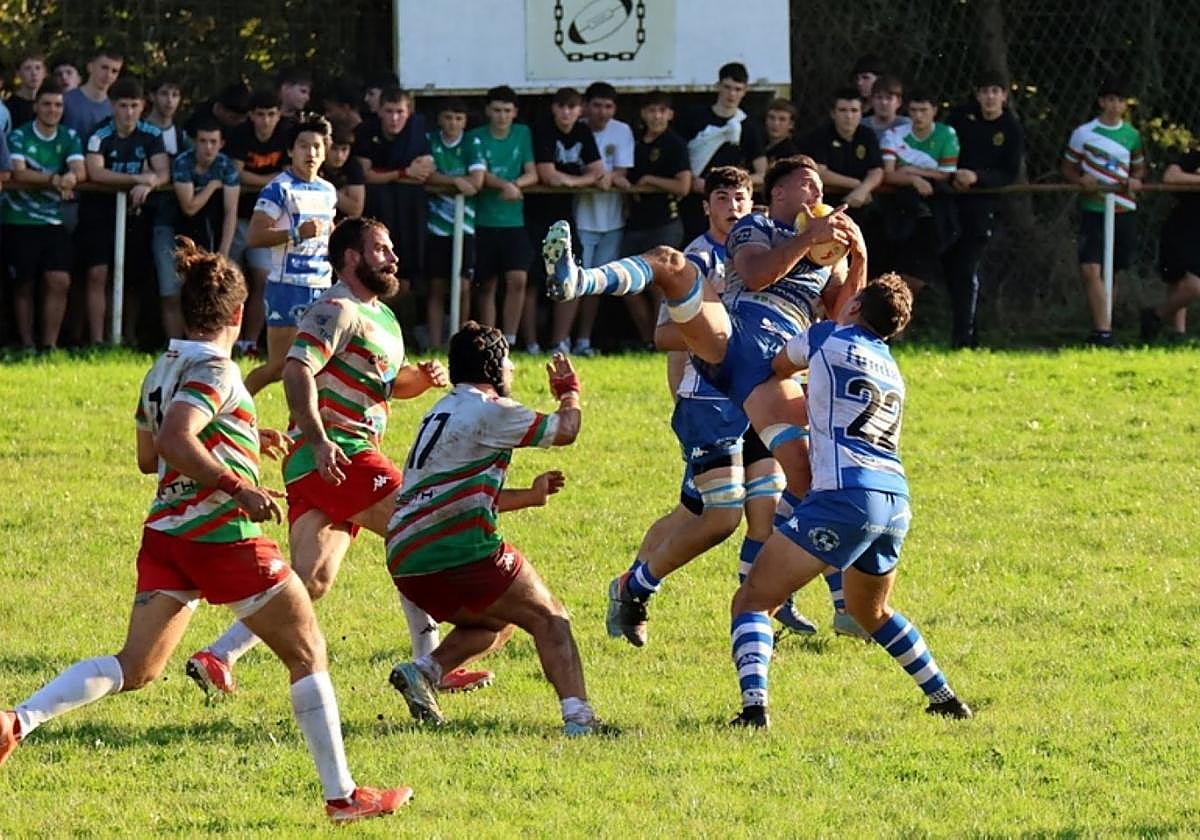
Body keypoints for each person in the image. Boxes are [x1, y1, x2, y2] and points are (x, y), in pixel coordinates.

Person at [0, 240, 412, 824]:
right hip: (221, 535)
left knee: (136, 668)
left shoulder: (160, 368)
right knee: (309, 651)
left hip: (168, 535)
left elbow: (150, 457)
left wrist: (246, 438)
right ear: (239, 316)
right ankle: (343, 796)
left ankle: (19, 720)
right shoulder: (216, 369)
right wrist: (236, 484)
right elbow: (174, 440)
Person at [188, 217, 495, 697]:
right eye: (380, 249)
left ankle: (218, 655)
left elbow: (387, 387)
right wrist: (317, 438)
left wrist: (421, 378)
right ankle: (433, 663)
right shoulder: (336, 308)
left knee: (312, 580)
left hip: (327, 461)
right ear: (351, 258)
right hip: (338, 454)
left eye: (391, 248)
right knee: (415, 529)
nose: (392, 257)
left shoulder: (385, 318)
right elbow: (296, 371)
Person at [543, 155, 864, 528]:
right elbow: (757, 276)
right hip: (730, 355)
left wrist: (859, 256)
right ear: (778, 192)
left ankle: (755, 586)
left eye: (820, 186)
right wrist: (808, 237)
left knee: (793, 494)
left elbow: (844, 319)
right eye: (808, 184)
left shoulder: (829, 256)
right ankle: (578, 281)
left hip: (777, 375)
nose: (819, 192)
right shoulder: (754, 226)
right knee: (669, 261)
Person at [726, 273, 972, 727]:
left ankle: (754, 709)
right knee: (870, 611)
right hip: (894, 499)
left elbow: (778, 366)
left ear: (855, 308)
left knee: (753, 600)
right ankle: (944, 697)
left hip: (844, 496)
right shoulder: (893, 369)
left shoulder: (825, 336)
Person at [605, 166, 816, 647]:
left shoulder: (770, 245)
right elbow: (662, 334)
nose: (734, 207)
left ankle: (759, 607)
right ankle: (631, 588)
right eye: (722, 198)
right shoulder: (697, 258)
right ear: (706, 206)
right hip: (711, 400)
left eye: (741, 198)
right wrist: (720, 330)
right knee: (708, 515)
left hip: (760, 396)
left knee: (765, 512)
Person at [386, 324, 603, 734]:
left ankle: (425, 671)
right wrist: (568, 390)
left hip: (405, 557)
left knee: (495, 622)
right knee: (550, 617)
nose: (513, 370)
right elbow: (566, 430)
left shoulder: (439, 411)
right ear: (495, 367)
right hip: (456, 551)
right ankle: (580, 721)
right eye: (510, 363)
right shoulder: (492, 410)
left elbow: (457, 495)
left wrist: (532, 495)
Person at [242, 114, 338, 395]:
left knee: (320, 367)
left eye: (318, 147)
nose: (311, 153)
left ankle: (304, 430)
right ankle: (231, 410)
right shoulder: (278, 189)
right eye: (304, 146)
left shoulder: (328, 191)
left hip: (322, 288)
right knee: (279, 367)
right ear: (290, 151)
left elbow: (327, 234)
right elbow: (255, 236)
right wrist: (297, 233)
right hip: (287, 288)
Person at [78, 77, 169, 348]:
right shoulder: (99, 134)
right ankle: (97, 339)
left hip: (135, 213)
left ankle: (128, 336)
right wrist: (136, 180)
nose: (128, 112)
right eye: (123, 106)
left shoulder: (151, 134)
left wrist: (151, 181)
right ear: (112, 106)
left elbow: (163, 171)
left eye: (134, 106)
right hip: (98, 212)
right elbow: (95, 172)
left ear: (142, 106)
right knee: (98, 274)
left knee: (132, 278)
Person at [2, 81, 85, 352]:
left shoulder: (69, 136)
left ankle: (49, 344)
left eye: (58, 105)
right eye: (47, 104)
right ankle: (26, 344)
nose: (53, 109)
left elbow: (80, 170)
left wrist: (71, 176)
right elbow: (18, 172)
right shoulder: (19, 135)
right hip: (19, 219)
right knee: (23, 284)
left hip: (53, 221)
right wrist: (55, 179)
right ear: (36, 107)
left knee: (60, 280)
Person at [1061, 78, 1145, 346]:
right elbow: (1068, 167)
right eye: (1110, 99)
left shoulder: (1132, 135)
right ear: (1101, 102)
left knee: (1114, 270)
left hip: (1123, 209)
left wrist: (1135, 180)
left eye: (1120, 100)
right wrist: (1080, 181)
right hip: (1094, 208)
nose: (1115, 105)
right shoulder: (1084, 133)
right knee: (1090, 268)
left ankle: (1105, 327)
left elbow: (1139, 167)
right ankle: (1102, 330)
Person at [943, 72, 1024, 348]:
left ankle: (965, 336)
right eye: (985, 91)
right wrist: (953, 175)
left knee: (967, 269)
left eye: (995, 91)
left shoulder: (1011, 128)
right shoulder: (960, 119)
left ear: (1004, 95)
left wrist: (978, 177)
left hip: (983, 206)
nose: (990, 97)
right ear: (977, 95)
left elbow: (1009, 173)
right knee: (948, 268)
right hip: (949, 200)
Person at [564, 81, 642, 356]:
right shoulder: (577, 129)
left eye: (608, 106)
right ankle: (562, 340)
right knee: (572, 281)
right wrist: (596, 177)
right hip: (581, 218)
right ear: (586, 107)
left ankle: (584, 340)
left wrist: (611, 177)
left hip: (613, 220)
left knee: (595, 285)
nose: (602, 112)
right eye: (596, 105)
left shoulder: (622, 131)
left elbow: (622, 172)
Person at [528, 87, 602, 354]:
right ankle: (531, 343)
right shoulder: (542, 129)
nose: (566, 113)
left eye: (572, 107)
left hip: (566, 217)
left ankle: (561, 342)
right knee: (532, 281)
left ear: (580, 109)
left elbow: (598, 171)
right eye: (561, 107)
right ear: (553, 108)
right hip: (534, 216)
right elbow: (548, 175)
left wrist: (571, 181)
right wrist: (579, 180)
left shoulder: (583, 132)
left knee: (570, 275)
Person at [468, 85, 538, 346]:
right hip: (483, 221)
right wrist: (504, 185)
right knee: (486, 284)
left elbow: (533, 172)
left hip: (514, 221)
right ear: (487, 110)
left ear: (515, 112)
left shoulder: (522, 133)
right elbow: (479, 174)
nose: (501, 116)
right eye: (496, 110)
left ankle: (509, 339)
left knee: (519, 278)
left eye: (507, 111)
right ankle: (489, 340)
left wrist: (517, 185)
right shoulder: (475, 136)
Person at [226, 89, 290, 357]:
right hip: (236, 217)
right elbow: (235, 173)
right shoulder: (240, 135)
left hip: (268, 222)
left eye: (271, 115)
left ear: (279, 115)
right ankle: (223, 339)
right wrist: (271, 180)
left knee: (263, 279)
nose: (265, 121)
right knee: (228, 280)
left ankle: (249, 342)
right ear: (251, 115)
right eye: (260, 115)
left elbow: (291, 173)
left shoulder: (287, 135)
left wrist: (259, 180)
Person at [353, 87, 435, 296]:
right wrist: (404, 172)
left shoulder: (417, 130)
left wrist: (388, 174)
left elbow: (426, 168)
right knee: (374, 268)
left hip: (409, 210)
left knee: (405, 271)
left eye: (400, 112)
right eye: (389, 111)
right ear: (379, 111)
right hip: (377, 208)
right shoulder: (366, 130)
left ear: (409, 112)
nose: (394, 118)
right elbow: (366, 174)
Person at [880, 87, 960, 286]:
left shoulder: (947, 134)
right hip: (900, 207)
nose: (918, 115)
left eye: (923, 110)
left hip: (936, 206)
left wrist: (909, 171)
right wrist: (914, 180)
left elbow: (946, 174)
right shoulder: (893, 135)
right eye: (914, 110)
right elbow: (889, 174)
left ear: (934, 110)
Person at [168, 119, 241, 338]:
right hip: (177, 228)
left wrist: (224, 251)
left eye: (213, 142)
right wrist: (212, 186)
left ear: (221, 143)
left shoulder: (227, 166)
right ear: (194, 142)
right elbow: (189, 206)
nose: (208, 147)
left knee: (214, 290)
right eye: (202, 141)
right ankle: (174, 342)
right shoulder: (182, 162)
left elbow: (231, 212)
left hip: (212, 228)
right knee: (173, 289)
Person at [677, 62, 767, 239]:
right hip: (692, 202)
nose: (732, 94)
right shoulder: (693, 117)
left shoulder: (748, 126)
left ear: (745, 91)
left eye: (737, 89)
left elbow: (762, 173)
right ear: (717, 86)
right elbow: (677, 156)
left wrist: (726, 186)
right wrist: (690, 179)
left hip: (729, 208)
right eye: (727, 87)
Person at [424, 98, 486, 351]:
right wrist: (457, 182)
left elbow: (477, 182)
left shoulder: (472, 142)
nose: (453, 124)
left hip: (465, 228)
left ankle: (462, 344)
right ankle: (435, 344)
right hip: (436, 228)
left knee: (463, 287)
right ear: (440, 119)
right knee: (436, 287)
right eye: (448, 118)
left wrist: (449, 182)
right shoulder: (430, 140)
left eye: (459, 119)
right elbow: (426, 177)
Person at [146, 75, 194, 343]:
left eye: (175, 94)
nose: (169, 101)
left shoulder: (182, 135)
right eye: (165, 93)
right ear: (152, 96)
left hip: (179, 219)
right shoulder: (141, 131)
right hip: (147, 216)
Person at [1142, 139, 1200, 342]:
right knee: (1182, 281)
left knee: (1192, 285)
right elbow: (1170, 176)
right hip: (1184, 226)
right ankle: (1177, 331)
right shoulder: (1193, 158)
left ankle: (1157, 317)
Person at [622, 90, 692, 255]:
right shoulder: (635, 141)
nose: (657, 116)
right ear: (643, 113)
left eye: (662, 111)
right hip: (634, 224)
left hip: (663, 225)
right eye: (652, 111)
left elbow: (683, 186)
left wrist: (650, 180)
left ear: (670, 114)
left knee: (660, 278)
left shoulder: (675, 144)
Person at [800, 87, 884, 219]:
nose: (849, 116)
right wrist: (855, 185)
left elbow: (877, 170)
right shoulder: (819, 136)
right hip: (827, 205)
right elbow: (820, 172)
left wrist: (863, 190)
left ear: (862, 113)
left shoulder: (867, 135)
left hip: (862, 201)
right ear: (833, 113)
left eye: (854, 110)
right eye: (843, 110)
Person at [61, 46, 122, 140]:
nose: (108, 75)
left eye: (114, 71)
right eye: (104, 67)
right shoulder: (65, 100)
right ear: (90, 67)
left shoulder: (115, 109)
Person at [322, 120, 366, 221]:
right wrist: (342, 197)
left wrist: (327, 191)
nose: (339, 156)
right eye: (334, 149)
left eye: (344, 149)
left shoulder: (353, 166)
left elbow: (356, 210)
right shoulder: (315, 163)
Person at [863, 75, 911, 144]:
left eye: (889, 98)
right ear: (872, 100)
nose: (883, 102)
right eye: (879, 97)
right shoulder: (862, 126)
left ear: (899, 102)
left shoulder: (907, 126)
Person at [8, 51, 47, 130]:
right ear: (18, 74)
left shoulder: (51, 104)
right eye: (28, 68)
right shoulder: (9, 107)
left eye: (38, 68)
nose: (34, 73)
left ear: (45, 73)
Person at [763, 98, 801, 163]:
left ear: (791, 124)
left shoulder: (791, 154)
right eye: (771, 118)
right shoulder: (759, 145)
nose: (775, 123)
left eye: (782, 119)